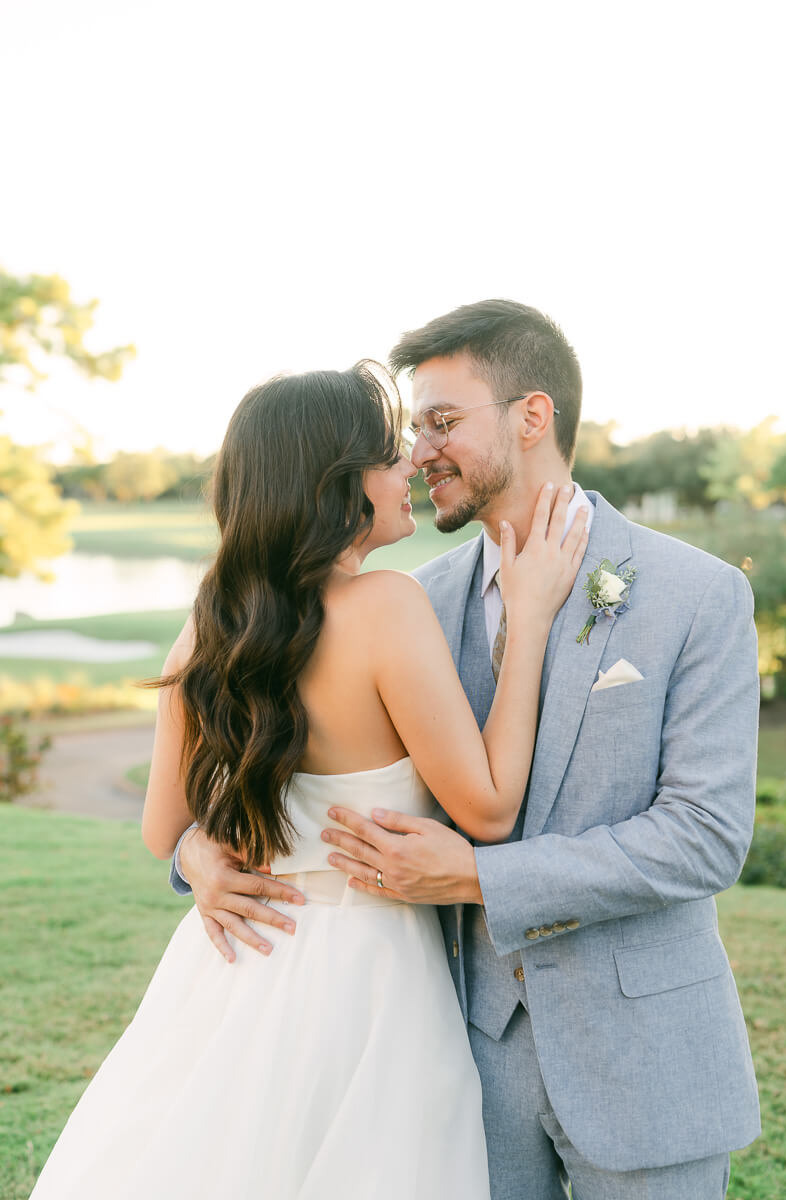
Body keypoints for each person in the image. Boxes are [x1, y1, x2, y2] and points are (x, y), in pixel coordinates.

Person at [180, 302, 761, 1200]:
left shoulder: (697, 593)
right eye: (413, 430)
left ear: (533, 417)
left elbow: (705, 836)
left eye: (442, 423)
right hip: (451, 1063)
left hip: (647, 1059)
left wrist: (482, 879)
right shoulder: (403, 601)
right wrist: (195, 857)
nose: (416, 454)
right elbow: (264, 755)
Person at [29, 360, 588, 1200]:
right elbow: (492, 807)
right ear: (339, 482)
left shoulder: (211, 622)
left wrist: (202, 858)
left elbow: (161, 832)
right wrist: (533, 616)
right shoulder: (385, 607)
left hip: (230, 968)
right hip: (367, 983)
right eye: (389, 454)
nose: (411, 467)